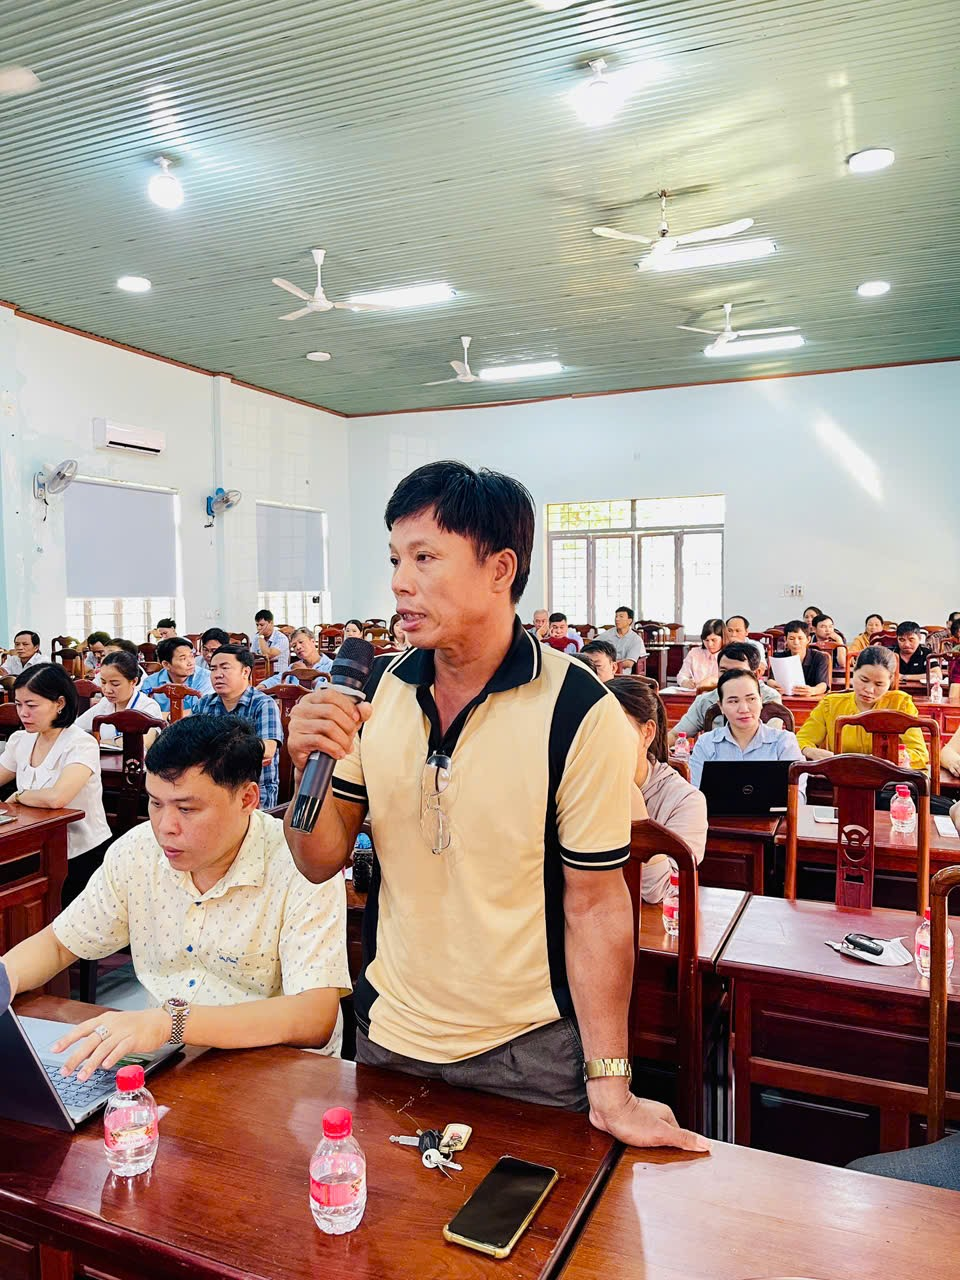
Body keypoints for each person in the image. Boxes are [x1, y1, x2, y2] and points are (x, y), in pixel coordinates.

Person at [284, 459, 705, 1152]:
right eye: (395, 559)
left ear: (500, 569)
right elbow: (317, 860)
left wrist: (611, 1085)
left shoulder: (578, 711)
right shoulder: (378, 694)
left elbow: (596, 906)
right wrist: (306, 766)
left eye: (425, 558)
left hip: (527, 1055)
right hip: (389, 1036)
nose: (400, 581)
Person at [0, 716, 350, 1076]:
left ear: (247, 799)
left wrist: (172, 1023)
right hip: (171, 1061)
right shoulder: (137, 851)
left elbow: (314, 1016)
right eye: (155, 803)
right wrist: (4, 977)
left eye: (186, 809)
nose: (165, 827)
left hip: (277, 1072)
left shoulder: (302, 865)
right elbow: (61, 943)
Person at [0, 664, 111, 906]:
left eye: (32, 705)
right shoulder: (21, 740)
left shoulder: (80, 743)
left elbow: (57, 798)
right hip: (35, 847)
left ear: (59, 703)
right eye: (18, 705)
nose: (23, 713)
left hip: (80, 853)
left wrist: (18, 796)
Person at [607, 677, 707, 902]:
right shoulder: (576, 786)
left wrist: (632, 800)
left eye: (613, 728)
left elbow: (660, 891)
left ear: (647, 733)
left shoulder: (685, 800)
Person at [796, 646, 928, 769]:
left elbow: (919, 753)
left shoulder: (900, 705)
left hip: (887, 779)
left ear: (891, 681)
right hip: (840, 777)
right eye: (864, 680)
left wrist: (882, 759)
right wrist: (810, 751)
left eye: (879, 684)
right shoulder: (830, 704)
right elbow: (801, 740)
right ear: (854, 670)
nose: (869, 690)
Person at [194, 645, 283, 809]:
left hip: (253, 789)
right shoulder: (204, 703)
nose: (217, 674)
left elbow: (268, 749)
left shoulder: (263, 704)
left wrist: (215, 749)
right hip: (211, 785)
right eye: (213, 669)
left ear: (245, 672)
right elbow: (189, 742)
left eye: (225, 668)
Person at [688, 669, 804, 788]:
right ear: (721, 706)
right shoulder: (706, 744)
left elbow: (796, 795)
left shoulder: (784, 742)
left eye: (751, 699)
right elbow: (695, 793)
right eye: (733, 701)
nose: (744, 709)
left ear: (761, 700)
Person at [668, 642, 783, 748]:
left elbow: (770, 741)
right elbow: (675, 735)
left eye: (737, 672)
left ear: (756, 674)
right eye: (723, 671)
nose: (729, 678)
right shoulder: (705, 700)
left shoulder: (770, 698)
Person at [76, 652, 164, 744]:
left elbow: (143, 743)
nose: (107, 690)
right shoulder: (105, 703)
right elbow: (77, 727)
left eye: (115, 684)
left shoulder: (148, 706)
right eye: (103, 682)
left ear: (133, 682)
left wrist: (103, 742)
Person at [140, 637, 213, 715]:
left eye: (191, 656)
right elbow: (144, 711)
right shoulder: (150, 682)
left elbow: (204, 710)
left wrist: (167, 717)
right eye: (183, 659)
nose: (191, 663)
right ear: (166, 664)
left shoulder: (207, 678)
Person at [770, 620, 829, 696]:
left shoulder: (819, 657)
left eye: (800, 638)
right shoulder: (779, 657)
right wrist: (774, 685)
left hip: (811, 698)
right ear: (785, 639)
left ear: (808, 639)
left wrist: (813, 690)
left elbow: (823, 684)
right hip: (785, 697)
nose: (796, 642)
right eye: (791, 639)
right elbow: (770, 679)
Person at [261, 627, 333, 689]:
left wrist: (306, 675)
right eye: (294, 646)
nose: (298, 647)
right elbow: (278, 679)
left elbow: (330, 691)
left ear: (313, 641)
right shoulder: (294, 667)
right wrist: (263, 685)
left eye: (301, 642)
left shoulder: (331, 666)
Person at [675, 619, 724, 690]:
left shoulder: (729, 655)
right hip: (695, 694)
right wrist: (685, 682)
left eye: (713, 640)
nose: (710, 644)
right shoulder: (694, 653)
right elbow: (681, 675)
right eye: (706, 640)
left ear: (723, 638)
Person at [600, 606, 647, 673]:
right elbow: (592, 646)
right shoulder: (607, 634)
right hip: (602, 671)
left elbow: (629, 663)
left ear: (629, 621)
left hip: (622, 675)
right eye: (616, 616)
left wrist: (607, 664)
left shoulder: (636, 639)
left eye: (621, 617)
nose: (617, 619)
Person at [254, 609, 290, 676]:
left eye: (262, 625)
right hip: (261, 673)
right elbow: (252, 656)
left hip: (279, 674)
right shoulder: (257, 637)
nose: (259, 628)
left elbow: (268, 655)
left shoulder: (281, 638)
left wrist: (261, 637)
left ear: (271, 623)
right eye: (257, 625)